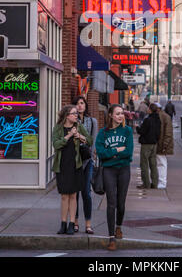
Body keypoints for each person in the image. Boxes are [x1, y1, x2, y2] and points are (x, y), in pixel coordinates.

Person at [95, 104, 134, 251]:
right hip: (109, 170)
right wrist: (117, 150)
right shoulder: (103, 133)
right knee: (111, 203)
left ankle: (119, 226)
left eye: (122, 113)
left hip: (124, 169)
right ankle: (111, 237)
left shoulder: (127, 131)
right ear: (110, 115)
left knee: (121, 203)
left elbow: (128, 152)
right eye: (117, 113)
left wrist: (110, 153)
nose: (120, 116)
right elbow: (100, 153)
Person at [52, 104, 93, 235]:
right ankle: (62, 224)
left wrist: (80, 137)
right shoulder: (58, 128)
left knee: (74, 195)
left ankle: (71, 223)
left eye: (76, 113)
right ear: (66, 116)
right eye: (73, 113)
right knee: (64, 196)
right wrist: (69, 135)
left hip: (76, 165)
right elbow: (56, 144)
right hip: (62, 165)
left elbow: (90, 141)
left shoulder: (79, 127)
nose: (76, 115)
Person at [72, 95, 98, 234]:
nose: (80, 106)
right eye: (77, 103)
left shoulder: (92, 121)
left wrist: (91, 156)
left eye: (82, 103)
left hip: (87, 161)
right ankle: (75, 223)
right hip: (74, 161)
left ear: (86, 105)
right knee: (74, 193)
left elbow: (92, 142)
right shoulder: (70, 121)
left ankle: (88, 224)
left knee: (86, 193)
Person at [136, 103, 161, 190]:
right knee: (153, 164)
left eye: (148, 108)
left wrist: (137, 128)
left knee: (144, 164)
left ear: (150, 110)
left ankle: (146, 183)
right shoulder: (158, 119)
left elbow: (142, 131)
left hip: (146, 144)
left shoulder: (148, 120)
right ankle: (155, 183)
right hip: (154, 144)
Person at [154, 102, 174, 189]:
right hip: (159, 143)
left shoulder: (164, 117)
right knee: (160, 163)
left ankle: (162, 182)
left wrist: (165, 145)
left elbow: (168, 133)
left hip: (161, 144)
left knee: (161, 163)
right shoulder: (163, 116)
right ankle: (160, 181)